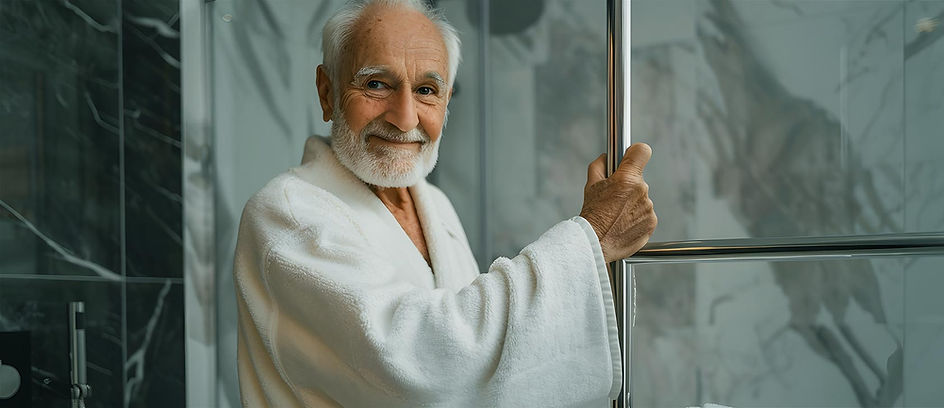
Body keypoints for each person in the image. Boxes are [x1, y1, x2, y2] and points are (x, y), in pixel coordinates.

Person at [233, 0, 657, 406]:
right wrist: (589, 239)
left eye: (425, 90)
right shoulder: (286, 214)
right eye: (376, 84)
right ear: (327, 93)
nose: (405, 117)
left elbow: (482, 378)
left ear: (447, 101)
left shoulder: (434, 206)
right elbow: (416, 367)